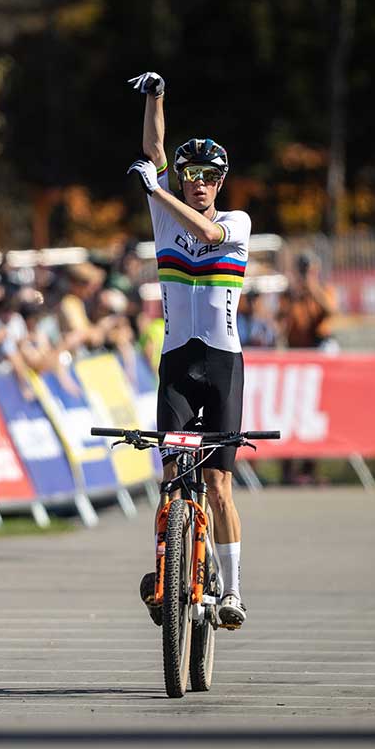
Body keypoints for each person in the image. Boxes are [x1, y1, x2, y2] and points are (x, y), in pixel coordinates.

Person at [128, 69, 252, 628]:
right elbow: (152, 148)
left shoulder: (236, 222)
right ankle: (167, 563)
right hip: (178, 362)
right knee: (171, 473)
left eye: (208, 176)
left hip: (223, 364)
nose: (198, 183)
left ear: (220, 183)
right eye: (189, 175)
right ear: (181, 179)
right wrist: (157, 95)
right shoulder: (162, 208)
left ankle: (231, 590)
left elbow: (204, 236)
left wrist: (155, 188)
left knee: (220, 483)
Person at [278, 252, 338, 351]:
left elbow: (331, 311)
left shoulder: (324, 289)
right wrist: (294, 292)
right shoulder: (289, 294)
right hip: (296, 345)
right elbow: (279, 320)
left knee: (331, 348)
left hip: (319, 343)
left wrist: (312, 287)